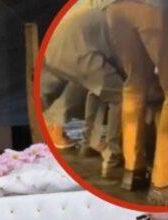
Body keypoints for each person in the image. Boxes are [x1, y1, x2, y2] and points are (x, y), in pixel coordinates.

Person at [105, 0, 168, 201]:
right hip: (158, 7)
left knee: (135, 84)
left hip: (113, 8)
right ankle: (164, 183)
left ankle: (133, 171)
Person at [42, 0, 124, 178]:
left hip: (63, 47)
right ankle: (114, 156)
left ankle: (89, 141)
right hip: (77, 49)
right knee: (122, 95)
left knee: (96, 85)